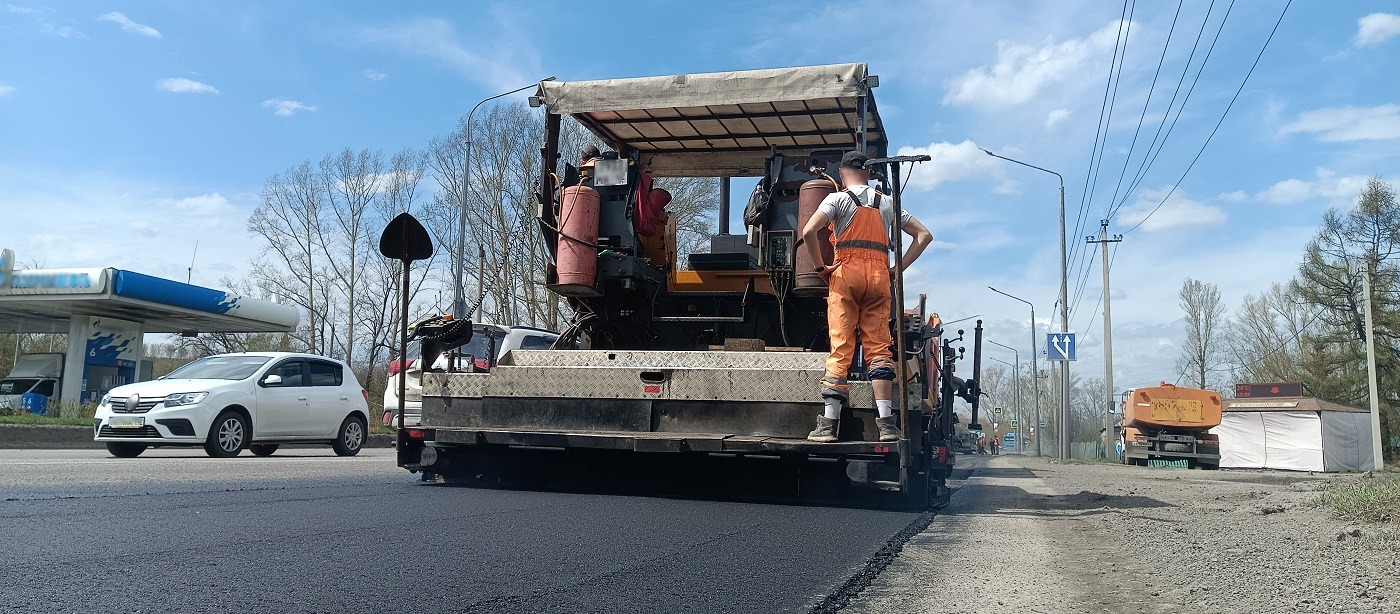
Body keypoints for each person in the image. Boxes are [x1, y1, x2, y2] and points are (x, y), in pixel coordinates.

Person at [803, 150, 933, 443]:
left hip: (845, 275)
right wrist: (896, 269)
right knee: (878, 350)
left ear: (842, 173)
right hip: (878, 278)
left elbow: (809, 230)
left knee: (841, 348)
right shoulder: (887, 202)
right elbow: (924, 235)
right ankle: (886, 425)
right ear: (869, 173)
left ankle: (829, 426)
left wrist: (821, 268)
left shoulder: (836, 199)